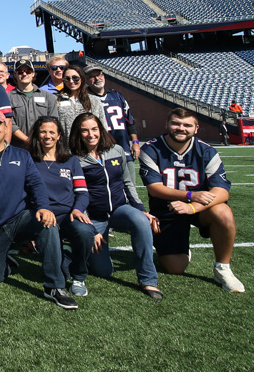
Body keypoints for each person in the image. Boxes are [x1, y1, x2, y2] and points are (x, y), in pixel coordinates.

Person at [0, 110, 77, 309]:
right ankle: (7, 261)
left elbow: (36, 185)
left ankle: (54, 286)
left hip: (20, 218)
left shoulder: (22, 154)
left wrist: (44, 208)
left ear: (6, 128)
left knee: (48, 223)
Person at [140, 108, 245, 293]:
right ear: (167, 125)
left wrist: (192, 207)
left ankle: (223, 268)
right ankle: (181, 248)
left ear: (196, 128)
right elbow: (154, 188)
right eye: (176, 124)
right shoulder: (151, 148)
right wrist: (189, 195)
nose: (181, 128)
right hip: (167, 209)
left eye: (187, 125)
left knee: (223, 212)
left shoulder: (207, 151)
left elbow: (222, 192)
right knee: (175, 268)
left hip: (200, 207)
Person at [70, 112, 162, 300]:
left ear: (100, 130)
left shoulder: (117, 150)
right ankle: (84, 254)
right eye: (84, 130)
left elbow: (128, 183)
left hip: (120, 209)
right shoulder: (74, 158)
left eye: (94, 129)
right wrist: (91, 229)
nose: (90, 134)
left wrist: (141, 210)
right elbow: (77, 194)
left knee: (140, 221)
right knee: (104, 271)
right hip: (94, 215)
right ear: (78, 134)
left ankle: (148, 279)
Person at [25, 117, 96, 297]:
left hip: (68, 214)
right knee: (50, 231)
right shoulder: (29, 160)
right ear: (36, 135)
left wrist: (77, 209)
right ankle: (58, 268)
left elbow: (82, 192)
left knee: (85, 232)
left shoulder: (71, 161)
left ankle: (79, 276)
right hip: (41, 215)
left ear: (59, 136)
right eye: (43, 132)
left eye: (51, 132)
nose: (47, 136)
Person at [86, 66, 140, 161]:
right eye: (92, 76)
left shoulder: (117, 96)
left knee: (129, 175)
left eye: (99, 75)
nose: (97, 78)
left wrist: (135, 142)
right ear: (86, 80)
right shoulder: (85, 99)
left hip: (124, 149)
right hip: (100, 151)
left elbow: (130, 122)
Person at [8, 59, 59, 147]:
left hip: (44, 146)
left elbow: (54, 122)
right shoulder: (8, 98)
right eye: (20, 72)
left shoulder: (49, 97)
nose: (24, 74)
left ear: (33, 74)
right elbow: (10, 123)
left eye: (28, 71)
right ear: (15, 75)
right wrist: (28, 140)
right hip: (19, 147)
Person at [56, 65, 107, 145]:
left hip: (91, 147)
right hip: (67, 149)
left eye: (75, 78)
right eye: (67, 79)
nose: (71, 81)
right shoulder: (57, 100)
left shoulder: (94, 100)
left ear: (82, 79)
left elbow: (103, 126)